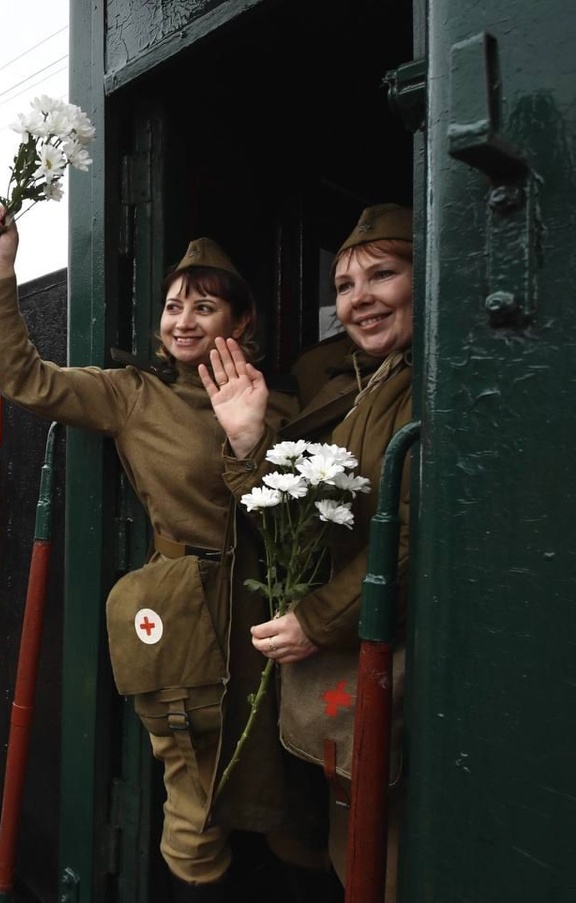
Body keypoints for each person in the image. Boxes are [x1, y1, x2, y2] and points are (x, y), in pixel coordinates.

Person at [0, 206, 314, 900]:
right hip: (188, 617)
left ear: (242, 322)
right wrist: (2, 274)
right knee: (196, 795)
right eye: (172, 306)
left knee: (284, 772)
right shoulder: (135, 395)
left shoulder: (281, 403)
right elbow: (24, 378)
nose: (183, 319)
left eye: (204, 305)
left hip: (278, 618)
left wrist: (251, 436)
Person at [202, 204, 413, 899]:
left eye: (383, 274)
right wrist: (245, 441)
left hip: (386, 662)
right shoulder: (363, 382)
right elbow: (311, 506)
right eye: (346, 285)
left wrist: (318, 618)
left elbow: (414, 532)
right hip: (353, 666)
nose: (361, 299)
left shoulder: (420, 386)